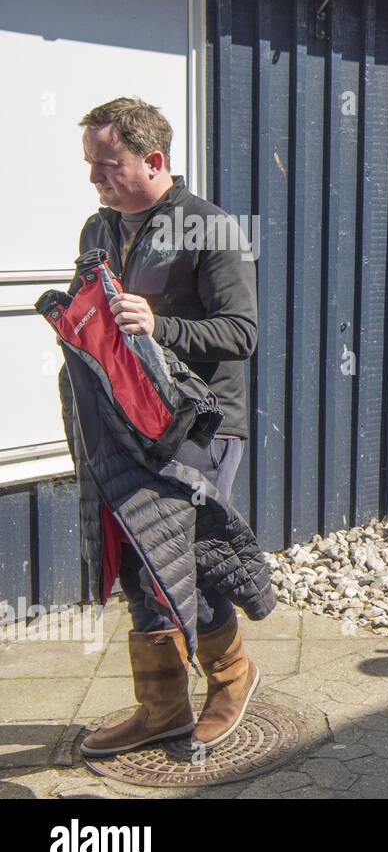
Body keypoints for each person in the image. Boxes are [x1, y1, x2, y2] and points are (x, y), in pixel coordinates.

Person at [75, 97, 261, 755]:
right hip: (125, 424)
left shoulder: (212, 229)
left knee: (193, 558)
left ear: (155, 160)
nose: (95, 178)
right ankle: (160, 705)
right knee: (135, 557)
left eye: (108, 164)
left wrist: (161, 325)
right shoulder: (98, 230)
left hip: (201, 425)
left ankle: (233, 676)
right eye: (91, 165)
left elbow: (242, 332)